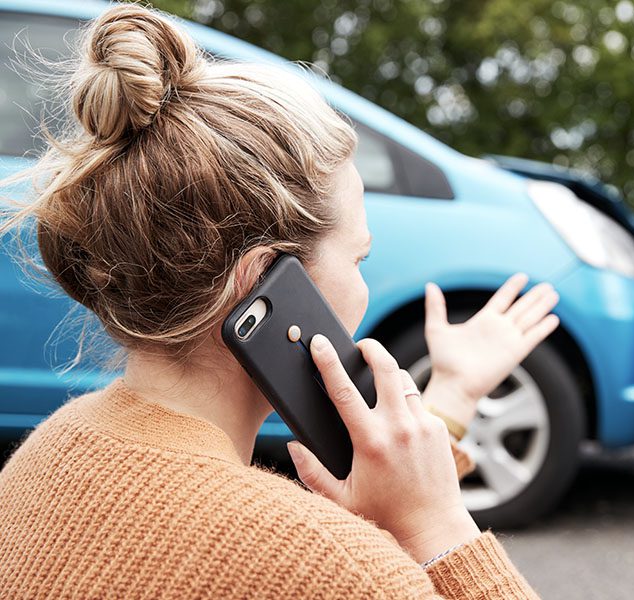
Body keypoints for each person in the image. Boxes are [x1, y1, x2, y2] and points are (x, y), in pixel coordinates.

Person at [0, 4, 563, 598]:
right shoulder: (332, 567)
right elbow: (319, 565)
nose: (362, 283)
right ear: (262, 284)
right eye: (358, 258)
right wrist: (439, 525)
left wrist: (450, 398)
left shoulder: (49, 454)